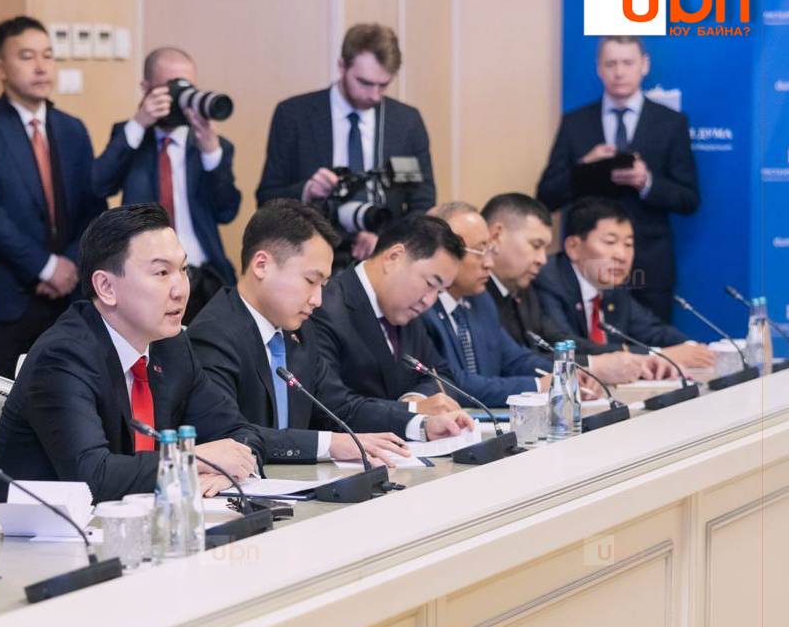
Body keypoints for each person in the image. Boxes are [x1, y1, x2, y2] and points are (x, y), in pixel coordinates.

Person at [0, 205, 265, 506]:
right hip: (31, 531)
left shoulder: (172, 346)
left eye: (183, 270)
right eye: (162, 272)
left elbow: (241, 433)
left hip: (138, 523)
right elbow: (93, 477)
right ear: (106, 287)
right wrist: (191, 460)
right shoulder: (62, 357)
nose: (181, 290)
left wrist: (227, 471)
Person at [188, 200, 474, 467]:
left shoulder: (296, 331)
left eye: (323, 285)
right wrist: (330, 445)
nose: (318, 299)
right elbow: (231, 436)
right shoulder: (214, 334)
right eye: (310, 281)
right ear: (262, 265)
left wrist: (421, 425)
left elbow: (342, 408)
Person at [0, 16, 106, 378]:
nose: (41, 66)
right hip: (1, 299)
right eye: (26, 56)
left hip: (67, 299)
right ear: (0, 68)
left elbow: (93, 208)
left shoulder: (72, 129)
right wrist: (46, 267)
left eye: (48, 55)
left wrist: (69, 266)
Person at [536, 35, 700, 322]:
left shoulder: (671, 123)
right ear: (599, 68)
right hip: (588, 267)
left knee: (655, 343)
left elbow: (689, 199)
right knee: (589, 343)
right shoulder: (575, 123)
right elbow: (546, 197)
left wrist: (647, 182)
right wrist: (584, 168)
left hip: (649, 268)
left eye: (627, 63)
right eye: (611, 64)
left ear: (644, 65)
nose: (619, 72)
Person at [257, 23, 436, 268]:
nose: (374, 95)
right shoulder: (294, 116)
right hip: (309, 258)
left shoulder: (406, 122)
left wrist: (387, 241)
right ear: (342, 66)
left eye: (383, 85)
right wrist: (307, 190)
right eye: (365, 83)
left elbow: (423, 203)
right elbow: (267, 198)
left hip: (384, 261)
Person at [93, 47, 240, 323]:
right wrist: (139, 123)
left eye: (188, 87)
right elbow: (99, 185)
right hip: (145, 280)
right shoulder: (131, 137)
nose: (180, 96)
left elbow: (227, 211)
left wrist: (211, 152)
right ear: (146, 88)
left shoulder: (211, 146)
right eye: (172, 87)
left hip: (204, 278)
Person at [420, 203, 601, 408]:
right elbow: (453, 383)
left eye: (490, 250)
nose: (489, 263)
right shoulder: (423, 308)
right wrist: (537, 386)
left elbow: (515, 359)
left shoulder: (480, 300)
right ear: (443, 251)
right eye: (479, 251)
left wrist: (565, 373)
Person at [481, 193, 675, 383]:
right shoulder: (542, 281)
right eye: (536, 245)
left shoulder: (523, 290)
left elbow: (554, 342)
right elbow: (515, 361)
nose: (542, 259)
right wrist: (595, 366)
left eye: (629, 244)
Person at [532, 198, 714, 370]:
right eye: (610, 242)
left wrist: (692, 348)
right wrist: (657, 356)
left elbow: (652, 330)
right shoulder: (549, 279)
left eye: (628, 244)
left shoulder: (613, 287)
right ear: (574, 247)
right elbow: (565, 345)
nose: (621, 255)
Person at [312, 213, 465, 413]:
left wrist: (416, 398)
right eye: (430, 284)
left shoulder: (407, 312)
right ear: (394, 257)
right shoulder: (324, 307)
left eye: (440, 292)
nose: (429, 301)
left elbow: (440, 374)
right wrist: (410, 411)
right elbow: (331, 404)